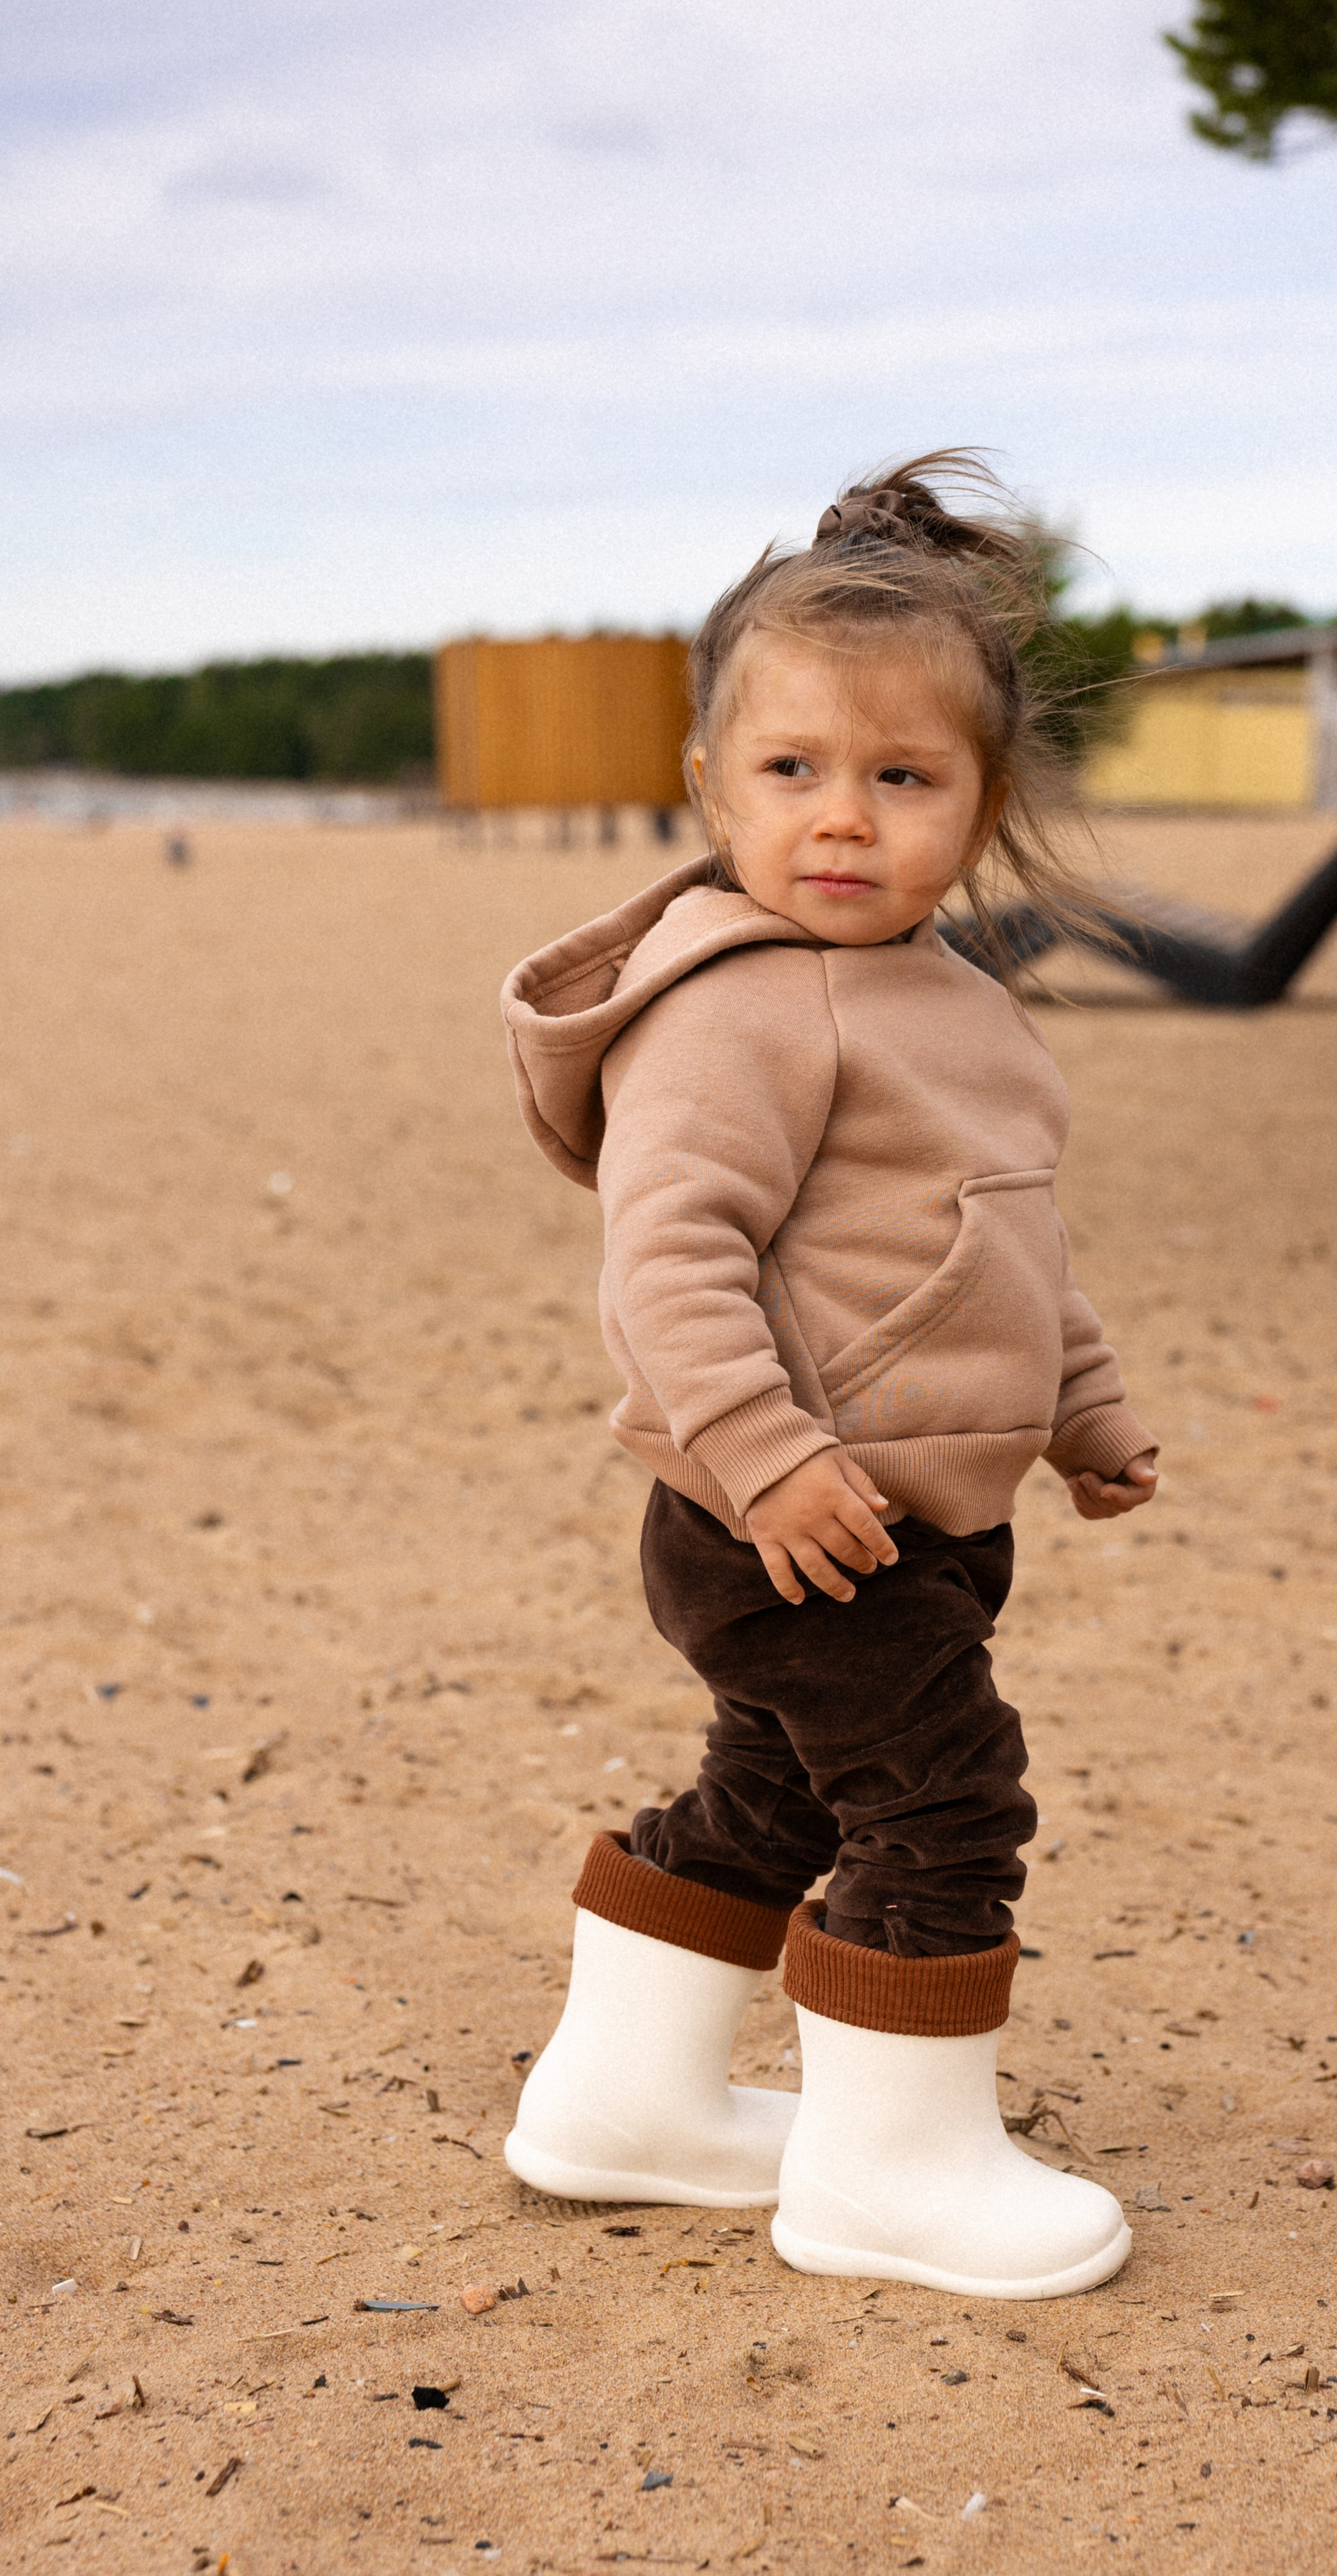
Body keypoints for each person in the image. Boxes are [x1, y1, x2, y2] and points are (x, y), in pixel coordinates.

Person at [498, 453, 1159, 2300]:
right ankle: (894, 2173)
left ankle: (623, 2106)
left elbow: (1011, 1245)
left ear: (984, 801)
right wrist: (762, 1456)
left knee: (775, 1799)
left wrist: (1089, 1410)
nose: (844, 820)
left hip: (921, 1507)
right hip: (784, 1513)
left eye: (902, 778)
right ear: (708, 785)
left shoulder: (961, 1004)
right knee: (947, 1802)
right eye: (792, 773)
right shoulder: (738, 1004)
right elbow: (672, 1258)